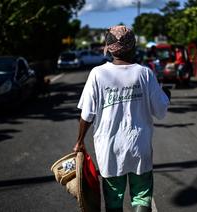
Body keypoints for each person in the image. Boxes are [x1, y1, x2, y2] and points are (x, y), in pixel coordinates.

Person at [73, 25, 170, 212]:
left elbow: (87, 114)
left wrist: (79, 141)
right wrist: (166, 95)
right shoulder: (145, 73)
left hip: (109, 150)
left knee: (113, 201)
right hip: (139, 147)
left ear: (108, 47)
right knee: (141, 197)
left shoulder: (97, 74)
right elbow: (160, 110)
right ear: (133, 46)